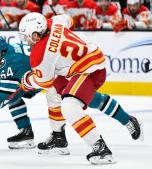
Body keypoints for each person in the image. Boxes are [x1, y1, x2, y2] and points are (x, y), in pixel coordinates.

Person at [19, 12, 115, 164]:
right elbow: (70, 20)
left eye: (26, 36)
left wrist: (26, 81)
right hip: (85, 62)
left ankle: (101, 148)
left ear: (36, 35)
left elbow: (44, 81)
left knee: (69, 107)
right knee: (53, 93)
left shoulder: (40, 54)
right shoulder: (53, 22)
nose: (25, 39)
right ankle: (59, 137)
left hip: (89, 70)